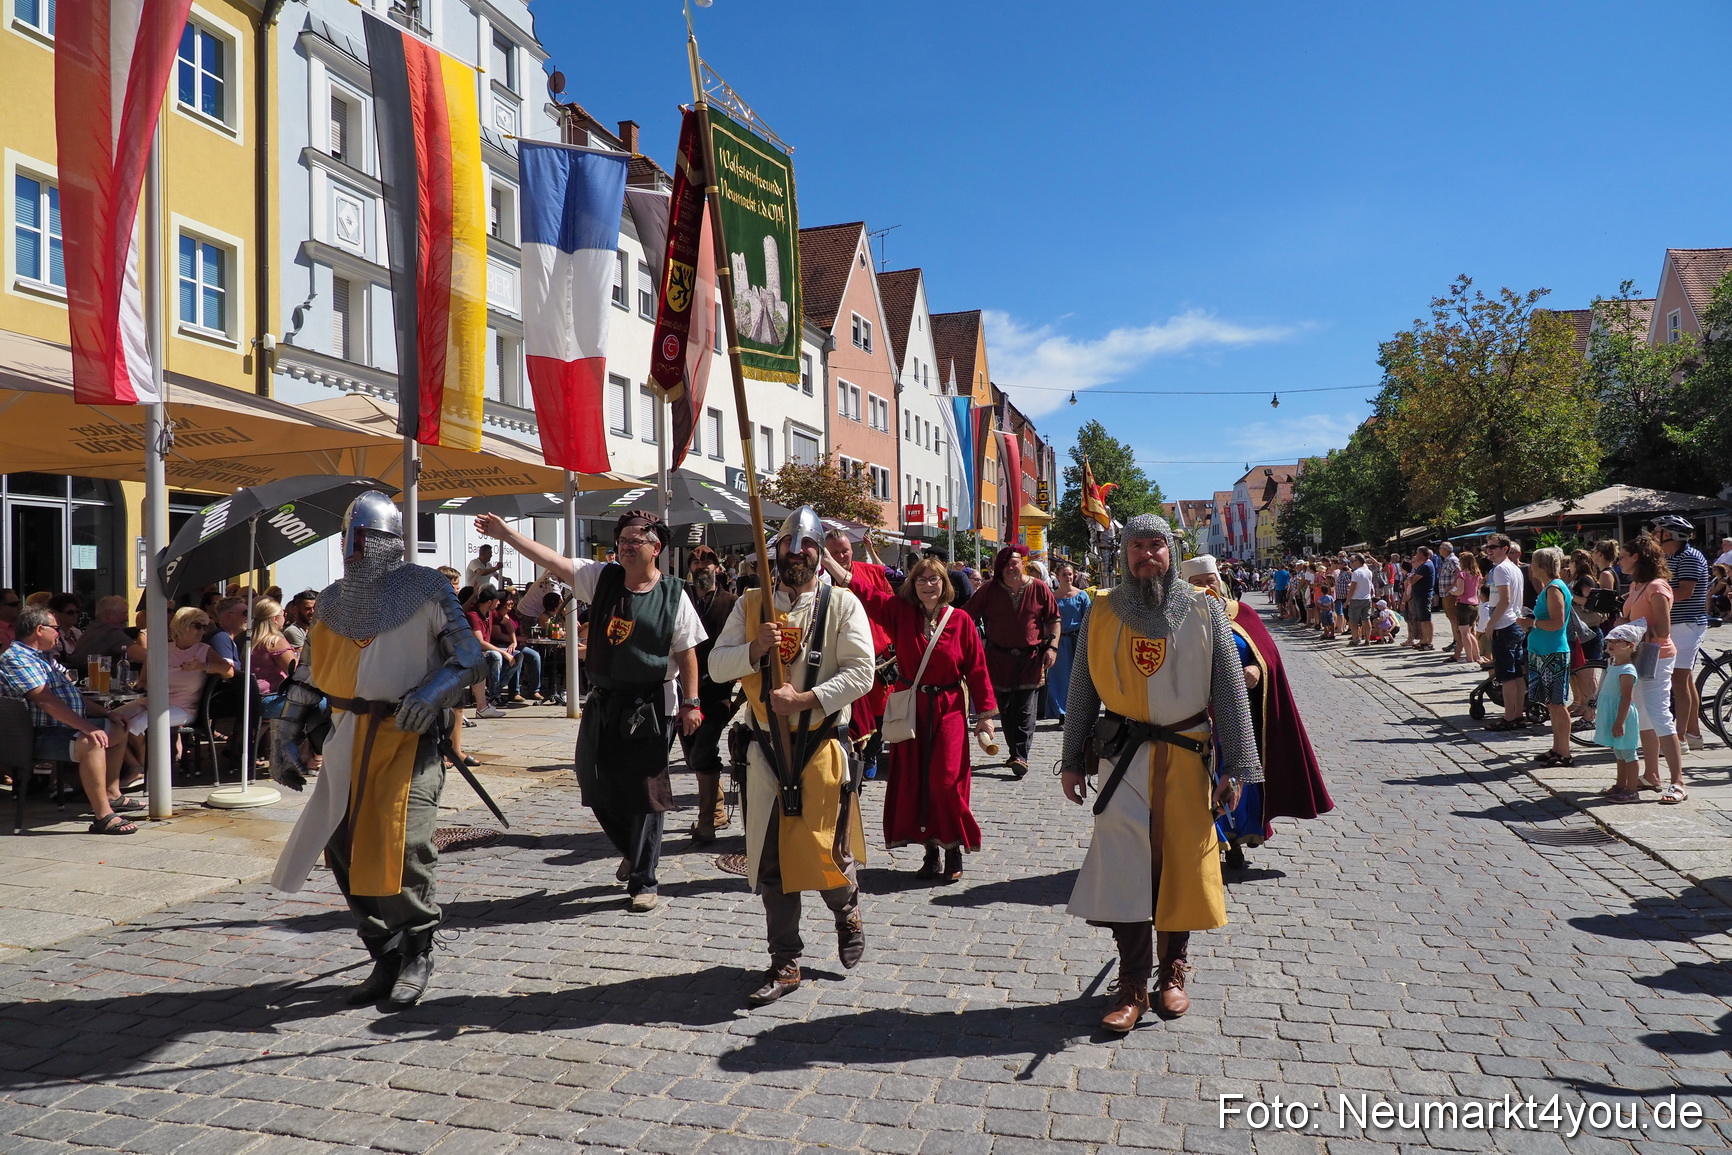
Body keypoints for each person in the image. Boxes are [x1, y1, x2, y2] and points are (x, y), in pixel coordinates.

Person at [270, 492, 486, 1006]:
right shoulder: (334, 600)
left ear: (387, 541)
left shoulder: (427, 589)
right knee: (340, 848)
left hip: (408, 740)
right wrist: (284, 735)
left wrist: (434, 693)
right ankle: (384, 952)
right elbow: (307, 672)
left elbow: (471, 658)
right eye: (351, 539)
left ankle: (418, 947)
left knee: (404, 844)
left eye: (364, 539)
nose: (355, 549)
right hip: (345, 739)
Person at [1061, 516, 1260, 1031]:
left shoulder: (1203, 609)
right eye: (1136, 547)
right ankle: (1131, 983)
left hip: (1186, 755)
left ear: (1171, 552)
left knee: (1182, 865)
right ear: (1124, 554)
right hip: (1121, 757)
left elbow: (1230, 691)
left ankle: (1171, 974)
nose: (1146, 555)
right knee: (1125, 865)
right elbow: (1082, 689)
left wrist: (1236, 765)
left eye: (1155, 546)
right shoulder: (1103, 609)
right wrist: (1070, 759)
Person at [476, 510, 705, 912]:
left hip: (652, 703)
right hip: (604, 700)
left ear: (657, 548)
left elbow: (686, 653)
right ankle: (632, 852)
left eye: (636, 540)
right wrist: (507, 534)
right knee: (593, 780)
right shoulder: (602, 578)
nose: (627, 546)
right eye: (623, 539)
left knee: (647, 795)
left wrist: (691, 702)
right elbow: (552, 560)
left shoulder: (674, 594)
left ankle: (644, 880)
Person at [708, 507, 875, 1006]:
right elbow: (717, 666)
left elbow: (862, 673)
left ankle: (846, 908)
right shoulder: (752, 603)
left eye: (805, 548)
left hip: (819, 745)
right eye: (786, 547)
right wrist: (755, 651)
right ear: (775, 552)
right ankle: (784, 960)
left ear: (818, 555)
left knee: (821, 850)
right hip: (763, 752)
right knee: (773, 860)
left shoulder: (842, 604)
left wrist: (805, 700)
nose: (794, 555)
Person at [827, 553, 997, 882]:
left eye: (934, 579)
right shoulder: (899, 613)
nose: (928, 585)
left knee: (946, 781)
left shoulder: (960, 621)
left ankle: (952, 849)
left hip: (948, 709)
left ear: (945, 584)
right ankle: (930, 853)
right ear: (913, 585)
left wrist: (986, 716)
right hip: (910, 708)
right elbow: (863, 591)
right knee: (916, 780)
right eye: (921, 580)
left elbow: (977, 670)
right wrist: (827, 561)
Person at [1182, 555, 1331, 873]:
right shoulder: (1178, 621)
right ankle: (1212, 841)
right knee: (1199, 779)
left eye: (1210, 581)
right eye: (1197, 584)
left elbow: (1269, 656)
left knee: (1237, 778)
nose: (1206, 588)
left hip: (1240, 713)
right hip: (1196, 715)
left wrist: (1256, 668)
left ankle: (1232, 841)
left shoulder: (1242, 613)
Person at [0, 605, 137, 833]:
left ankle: (112, 793)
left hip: (61, 727)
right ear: (39, 630)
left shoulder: (43, 659)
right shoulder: (16, 658)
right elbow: (45, 700)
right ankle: (103, 816)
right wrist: (86, 727)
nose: (59, 632)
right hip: (35, 735)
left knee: (117, 727)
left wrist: (107, 713)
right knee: (92, 742)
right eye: (55, 628)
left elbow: (73, 695)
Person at [963, 544, 1059, 778]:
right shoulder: (989, 590)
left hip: (1031, 658)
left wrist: (1052, 648)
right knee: (1006, 709)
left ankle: (1020, 756)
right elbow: (966, 616)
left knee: (1025, 708)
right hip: (998, 659)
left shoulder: (1038, 588)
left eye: (1014, 563)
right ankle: (1015, 751)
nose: (1010, 568)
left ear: (1022, 563)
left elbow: (1053, 618)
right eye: (1005, 564)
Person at [1615, 534, 1685, 802]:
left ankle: (1678, 781)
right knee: (1643, 714)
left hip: (1657, 656)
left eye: (1622, 556)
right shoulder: (1636, 586)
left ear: (1636, 557)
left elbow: (1663, 631)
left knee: (1659, 714)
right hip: (1639, 655)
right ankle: (1652, 774)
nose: (1619, 561)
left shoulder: (1657, 587)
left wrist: (1629, 628)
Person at [682, 545, 738, 845]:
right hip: (684, 691)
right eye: (695, 561)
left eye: (707, 561)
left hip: (717, 692)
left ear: (718, 567)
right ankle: (716, 810)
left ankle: (706, 824)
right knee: (692, 754)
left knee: (704, 751)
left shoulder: (731, 603)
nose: (701, 565)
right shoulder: (682, 599)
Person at [1653, 515, 1709, 751]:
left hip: (1686, 624)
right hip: (1675, 623)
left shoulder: (1690, 557)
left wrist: (1652, 598)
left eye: (1658, 530)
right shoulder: (1669, 557)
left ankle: (1680, 738)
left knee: (1677, 679)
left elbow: (1685, 591)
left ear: (1670, 535)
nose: (1654, 534)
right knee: (1684, 680)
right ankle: (1694, 734)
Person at [1524, 548, 1574, 767]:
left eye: (1533, 562)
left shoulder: (1554, 589)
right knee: (1551, 704)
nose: (1530, 567)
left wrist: (1531, 623)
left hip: (1553, 652)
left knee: (1557, 703)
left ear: (1541, 565)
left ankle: (1565, 752)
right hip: (1543, 651)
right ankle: (1557, 747)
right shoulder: (1549, 588)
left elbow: (1556, 623)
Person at [1483, 535, 1528, 731]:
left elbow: (1505, 600)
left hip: (1505, 625)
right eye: (1487, 547)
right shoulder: (1514, 568)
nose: (1489, 550)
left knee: (1506, 676)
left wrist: (1491, 624)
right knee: (1516, 674)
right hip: (1515, 624)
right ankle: (1518, 714)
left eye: (1493, 547)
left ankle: (1509, 717)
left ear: (1505, 548)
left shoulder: (1501, 569)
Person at [1596, 623, 1643, 802]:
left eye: (1617, 641)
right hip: (1614, 715)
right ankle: (1620, 784)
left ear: (1630, 646)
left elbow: (1626, 698)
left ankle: (1632, 790)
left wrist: (1619, 722)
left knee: (1629, 753)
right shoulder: (1613, 665)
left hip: (1622, 717)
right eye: (1609, 641)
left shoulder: (1627, 670)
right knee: (1619, 752)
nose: (1611, 645)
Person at [1044, 562, 1091, 723]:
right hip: (1059, 641)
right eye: (1064, 574)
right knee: (1060, 677)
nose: (1068, 577)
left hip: (1078, 640)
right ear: (1057, 577)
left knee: (1078, 678)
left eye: (1070, 574)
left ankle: (1078, 713)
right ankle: (1062, 714)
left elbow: (1088, 620)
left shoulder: (1082, 596)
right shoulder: (1052, 597)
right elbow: (1047, 620)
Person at [493, 592, 542, 703]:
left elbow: (518, 630)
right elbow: (498, 635)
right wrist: (517, 640)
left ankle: (535, 690)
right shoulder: (495, 614)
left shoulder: (513, 615)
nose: (512, 602)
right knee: (517, 655)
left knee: (535, 656)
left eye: (512, 599)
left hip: (515, 644)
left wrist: (518, 640)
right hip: (499, 645)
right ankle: (514, 692)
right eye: (509, 600)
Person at [251, 598, 300, 705]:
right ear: (275, 619)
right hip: (272, 697)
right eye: (283, 614)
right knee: (323, 705)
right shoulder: (275, 642)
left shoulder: (250, 640)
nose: (285, 618)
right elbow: (296, 673)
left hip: (252, 698)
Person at [1451, 550, 1482, 665]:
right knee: (1470, 631)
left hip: (1463, 605)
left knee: (1464, 633)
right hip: (1475, 604)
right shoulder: (1477, 573)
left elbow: (1460, 590)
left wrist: (1452, 592)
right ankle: (1476, 654)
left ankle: (1469, 657)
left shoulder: (1462, 574)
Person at [1436, 541, 1461, 655]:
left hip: (1450, 594)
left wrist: (1454, 585)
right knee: (1451, 618)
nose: (1439, 550)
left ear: (1446, 549)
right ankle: (1455, 640)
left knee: (1454, 618)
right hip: (1445, 594)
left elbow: (1458, 571)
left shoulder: (1452, 560)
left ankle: (1457, 641)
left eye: (1441, 548)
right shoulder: (1447, 560)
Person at [1347, 554, 1375, 645]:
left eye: (1352, 561)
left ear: (1358, 561)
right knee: (1366, 620)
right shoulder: (1368, 571)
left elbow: (1353, 588)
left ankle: (1355, 639)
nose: (1351, 563)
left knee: (1353, 621)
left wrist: (1347, 600)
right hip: (1367, 598)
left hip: (1356, 599)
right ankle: (1367, 639)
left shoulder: (1356, 573)